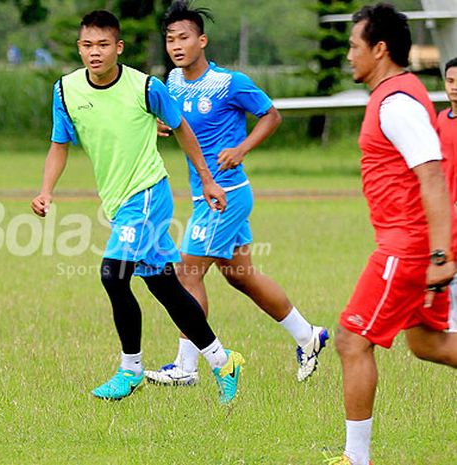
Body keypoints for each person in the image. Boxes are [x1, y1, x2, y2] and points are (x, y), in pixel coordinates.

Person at [31, 10, 245, 403]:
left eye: (103, 45)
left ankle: (129, 369)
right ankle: (222, 360)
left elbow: (181, 127)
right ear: (79, 48)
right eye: (87, 46)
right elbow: (59, 145)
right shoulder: (65, 90)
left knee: (113, 275)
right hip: (117, 201)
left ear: (119, 48)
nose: (94, 54)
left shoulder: (146, 87)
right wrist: (47, 190)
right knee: (165, 287)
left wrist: (208, 178)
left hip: (147, 194)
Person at [144, 0, 328, 387]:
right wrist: (164, 125)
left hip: (225, 195)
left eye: (183, 38)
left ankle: (186, 367)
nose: (176, 46)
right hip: (202, 194)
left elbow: (271, 115)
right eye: (170, 39)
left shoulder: (229, 83)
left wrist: (242, 149)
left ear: (202, 40)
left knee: (186, 272)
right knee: (241, 276)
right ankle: (307, 335)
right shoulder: (173, 84)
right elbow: (181, 122)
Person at [329, 4, 457, 464]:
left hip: (407, 246)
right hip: (413, 243)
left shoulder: (397, 103)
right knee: (428, 343)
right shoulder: (394, 95)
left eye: (353, 46)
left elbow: (433, 176)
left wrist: (440, 255)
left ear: (379, 49)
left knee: (350, 339)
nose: (348, 55)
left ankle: (355, 459)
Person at [437, 57, 457, 332]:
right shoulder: (441, 119)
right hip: (447, 208)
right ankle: (451, 324)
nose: (455, 88)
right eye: (451, 81)